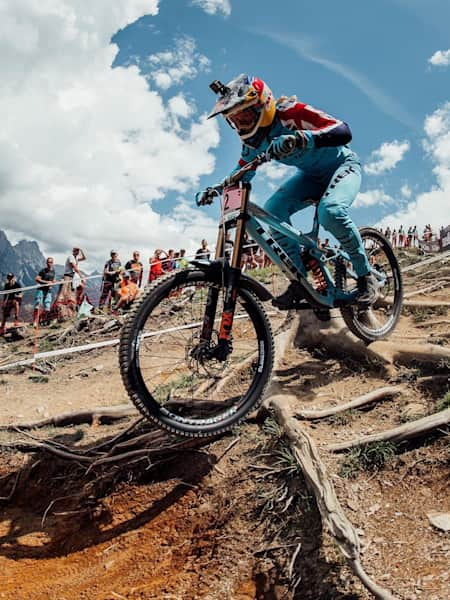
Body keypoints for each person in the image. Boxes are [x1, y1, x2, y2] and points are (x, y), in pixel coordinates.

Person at [207, 74, 377, 307]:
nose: (241, 125)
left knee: (331, 212)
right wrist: (217, 187)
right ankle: (300, 282)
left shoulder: (291, 112)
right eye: (234, 120)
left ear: (262, 105)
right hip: (311, 177)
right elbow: (243, 170)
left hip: (342, 165)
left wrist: (302, 138)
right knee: (272, 210)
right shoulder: (254, 142)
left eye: (244, 115)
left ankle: (366, 278)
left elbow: (343, 131)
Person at [56, 246, 86, 320]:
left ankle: (72, 312)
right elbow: (75, 267)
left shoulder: (76, 258)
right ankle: (63, 314)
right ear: (73, 251)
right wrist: (81, 276)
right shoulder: (71, 257)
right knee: (65, 294)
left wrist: (82, 250)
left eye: (78, 251)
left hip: (73, 277)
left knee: (74, 291)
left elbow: (84, 258)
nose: (77, 252)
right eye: (76, 251)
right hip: (68, 277)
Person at [33, 257, 57, 328]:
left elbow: (52, 279)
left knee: (47, 308)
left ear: (53, 263)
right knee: (37, 306)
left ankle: (41, 320)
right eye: (48, 262)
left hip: (48, 291)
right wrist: (46, 282)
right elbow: (36, 279)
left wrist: (53, 282)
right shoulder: (43, 271)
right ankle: (35, 321)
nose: (49, 264)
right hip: (40, 290)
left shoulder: (53, 271)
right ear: (46, 263)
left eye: (51, 262)